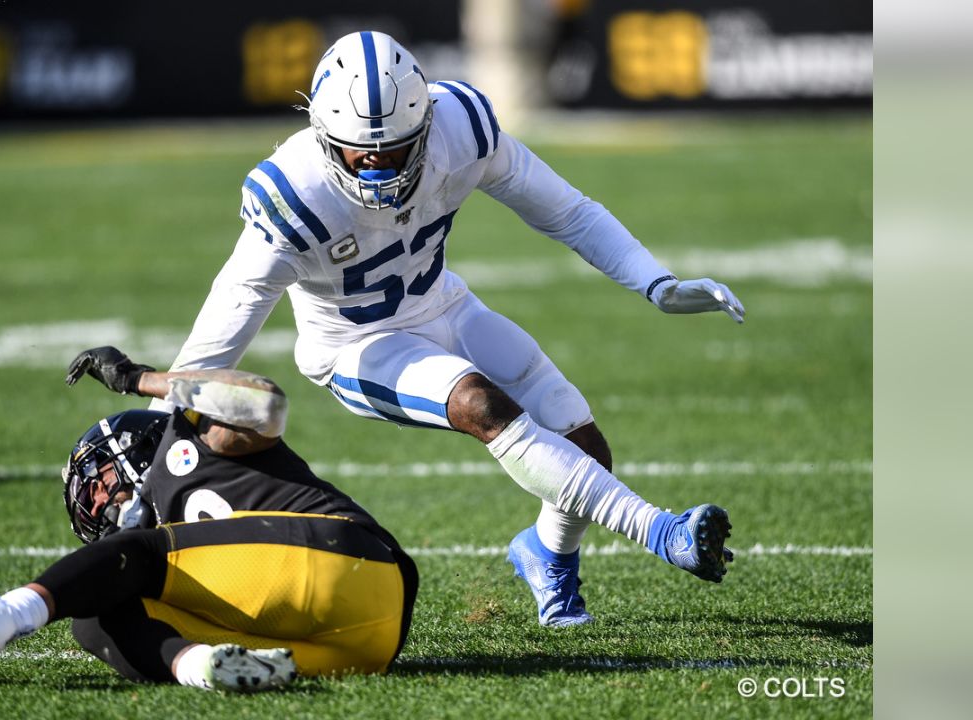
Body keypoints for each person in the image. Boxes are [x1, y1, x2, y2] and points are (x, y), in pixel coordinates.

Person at [113, 31, 742, 627]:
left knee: (583, 444)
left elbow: (567, 211)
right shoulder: (294, 194)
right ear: (323, 135)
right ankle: (664, 532)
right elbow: (226, 325)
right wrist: (169, 440)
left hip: (446, 306)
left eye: (396, 151)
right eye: (365, 154)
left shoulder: (459, 128)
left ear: (426, 126)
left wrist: (654, 282)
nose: (382, 170)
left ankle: (547, 557)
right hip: (357, 347)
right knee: (480, 404)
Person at [0, 361, 418, 693]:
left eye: (98, 480)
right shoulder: (178, 551)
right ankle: (201, 668)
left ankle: (3, 613)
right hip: (365, 647)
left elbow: (263, 402)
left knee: (142, 555)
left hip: (346, 556)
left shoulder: (188, 447)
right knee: (92, 620)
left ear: (133, 452)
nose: (95, 498)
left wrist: (143, 381)